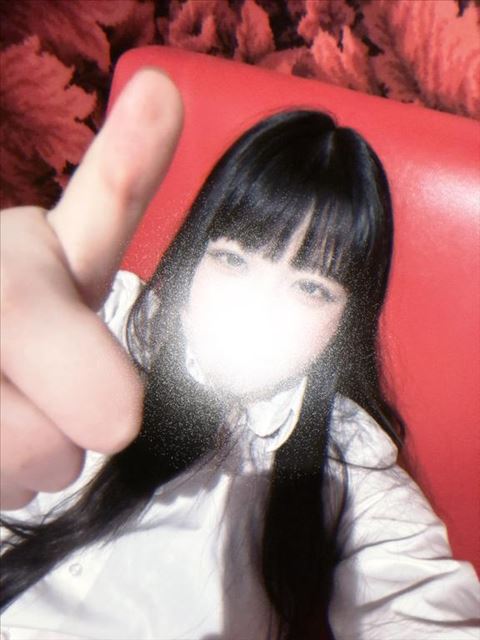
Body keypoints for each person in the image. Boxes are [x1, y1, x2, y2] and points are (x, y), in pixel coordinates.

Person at [0, 69, 479, 640]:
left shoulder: (349, 472)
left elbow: (424, 611)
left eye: (311, 288)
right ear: (195, 253)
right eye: (233, 260)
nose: (261, 307)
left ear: (345, 322)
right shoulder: (103, 316)